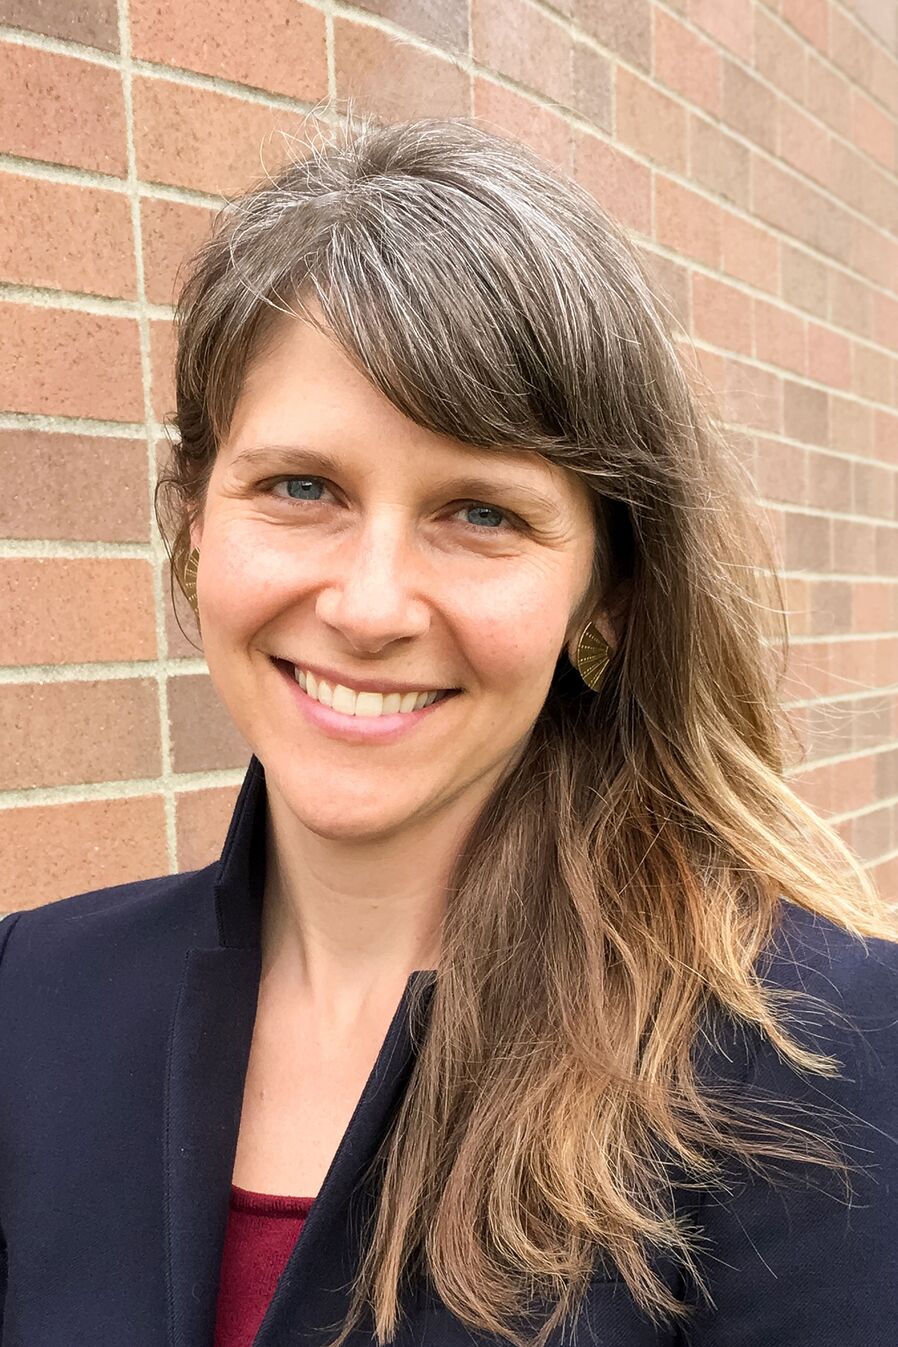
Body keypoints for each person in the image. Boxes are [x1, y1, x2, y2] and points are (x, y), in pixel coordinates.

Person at [0, 110, 896, 1347]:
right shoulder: (33, 1000)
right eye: (300, 488)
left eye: (479, 512)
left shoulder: (802, 1050)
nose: (369, 608)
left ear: (607, 592)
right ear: (196, 518)